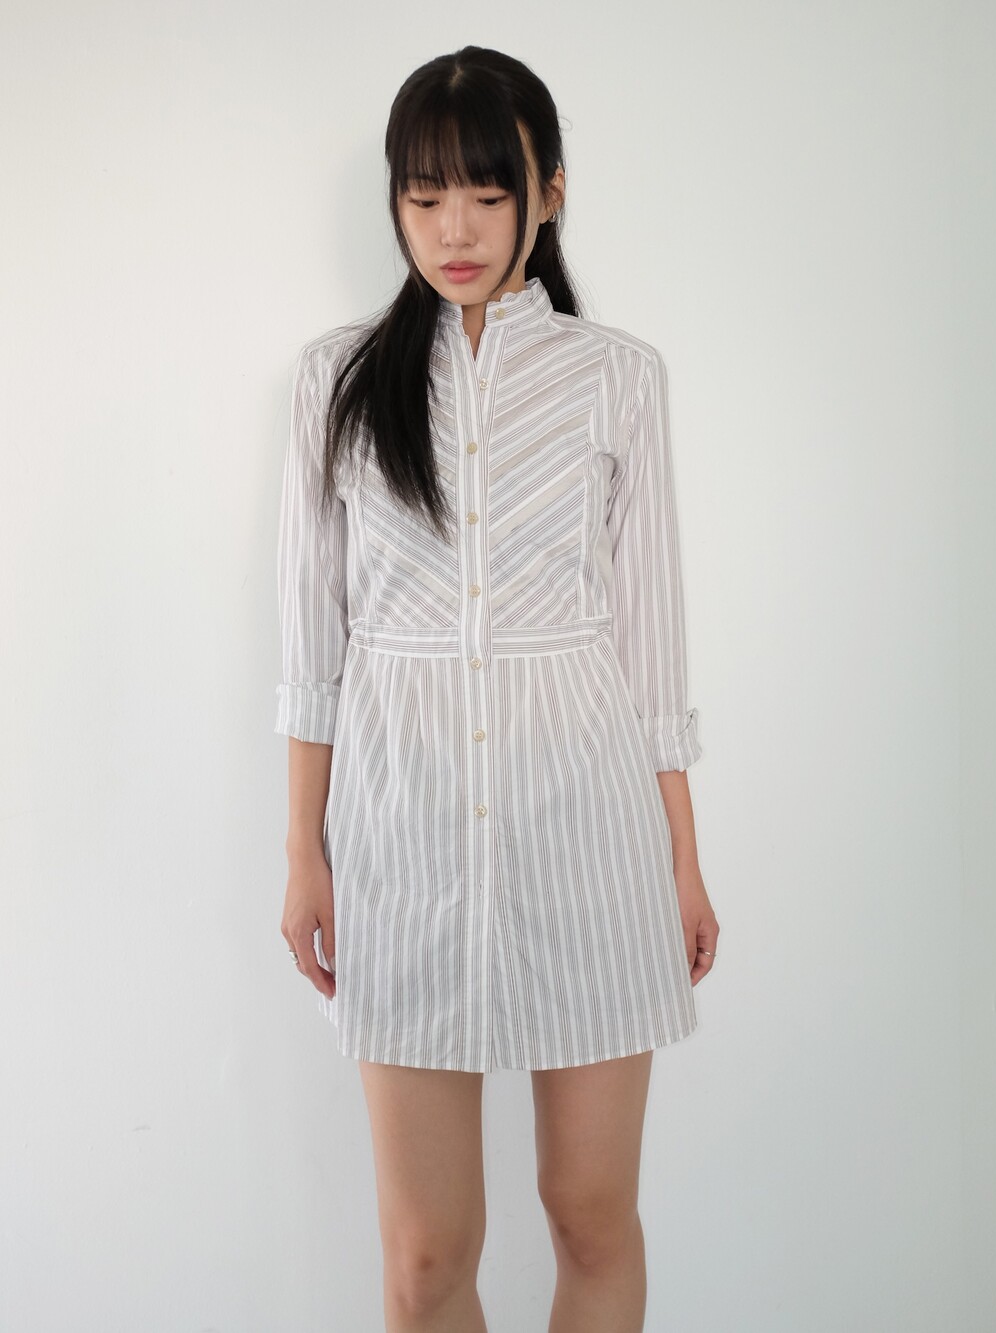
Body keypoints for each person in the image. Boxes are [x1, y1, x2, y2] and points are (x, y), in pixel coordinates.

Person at [274, 44, 720, 1333]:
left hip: (592, 843)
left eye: (486, 193)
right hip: (401, 850)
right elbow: (311, 648)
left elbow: (653, 650)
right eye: (424, 198)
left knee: (590, 1216)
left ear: (549, 193)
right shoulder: (337, 382)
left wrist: (683, 859)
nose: (454, 230)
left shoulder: (619, 378)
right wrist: (303, 854)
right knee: (427, 1260)